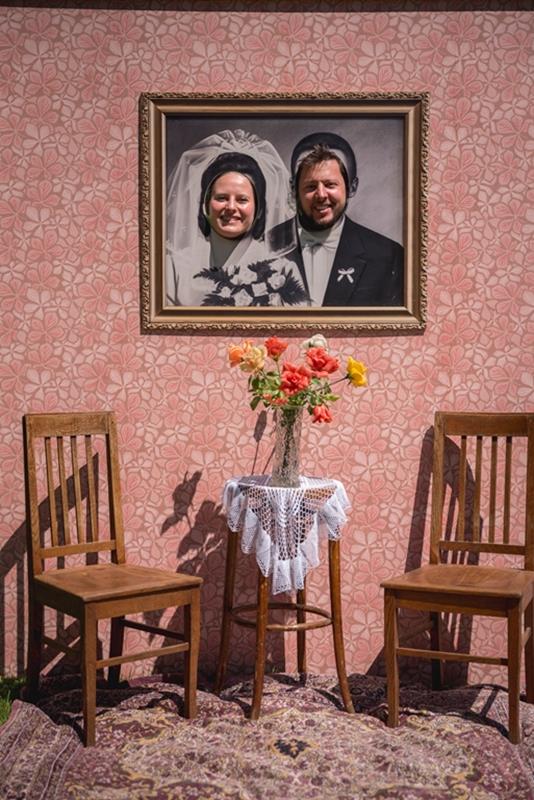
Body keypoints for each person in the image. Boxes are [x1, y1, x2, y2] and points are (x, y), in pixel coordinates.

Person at [166, 129, 307, 307]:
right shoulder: (175, 267)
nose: (231, 207)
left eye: (242, 200)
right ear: (204, 205)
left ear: (259, 210)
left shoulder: (283, 272)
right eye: (221, 198)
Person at [268, 132, 404, 307]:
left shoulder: (387, 256)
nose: (321, 195)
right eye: (311, 186)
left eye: (330, 185)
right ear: (293, 188)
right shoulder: (263, 246)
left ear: (352, 187)